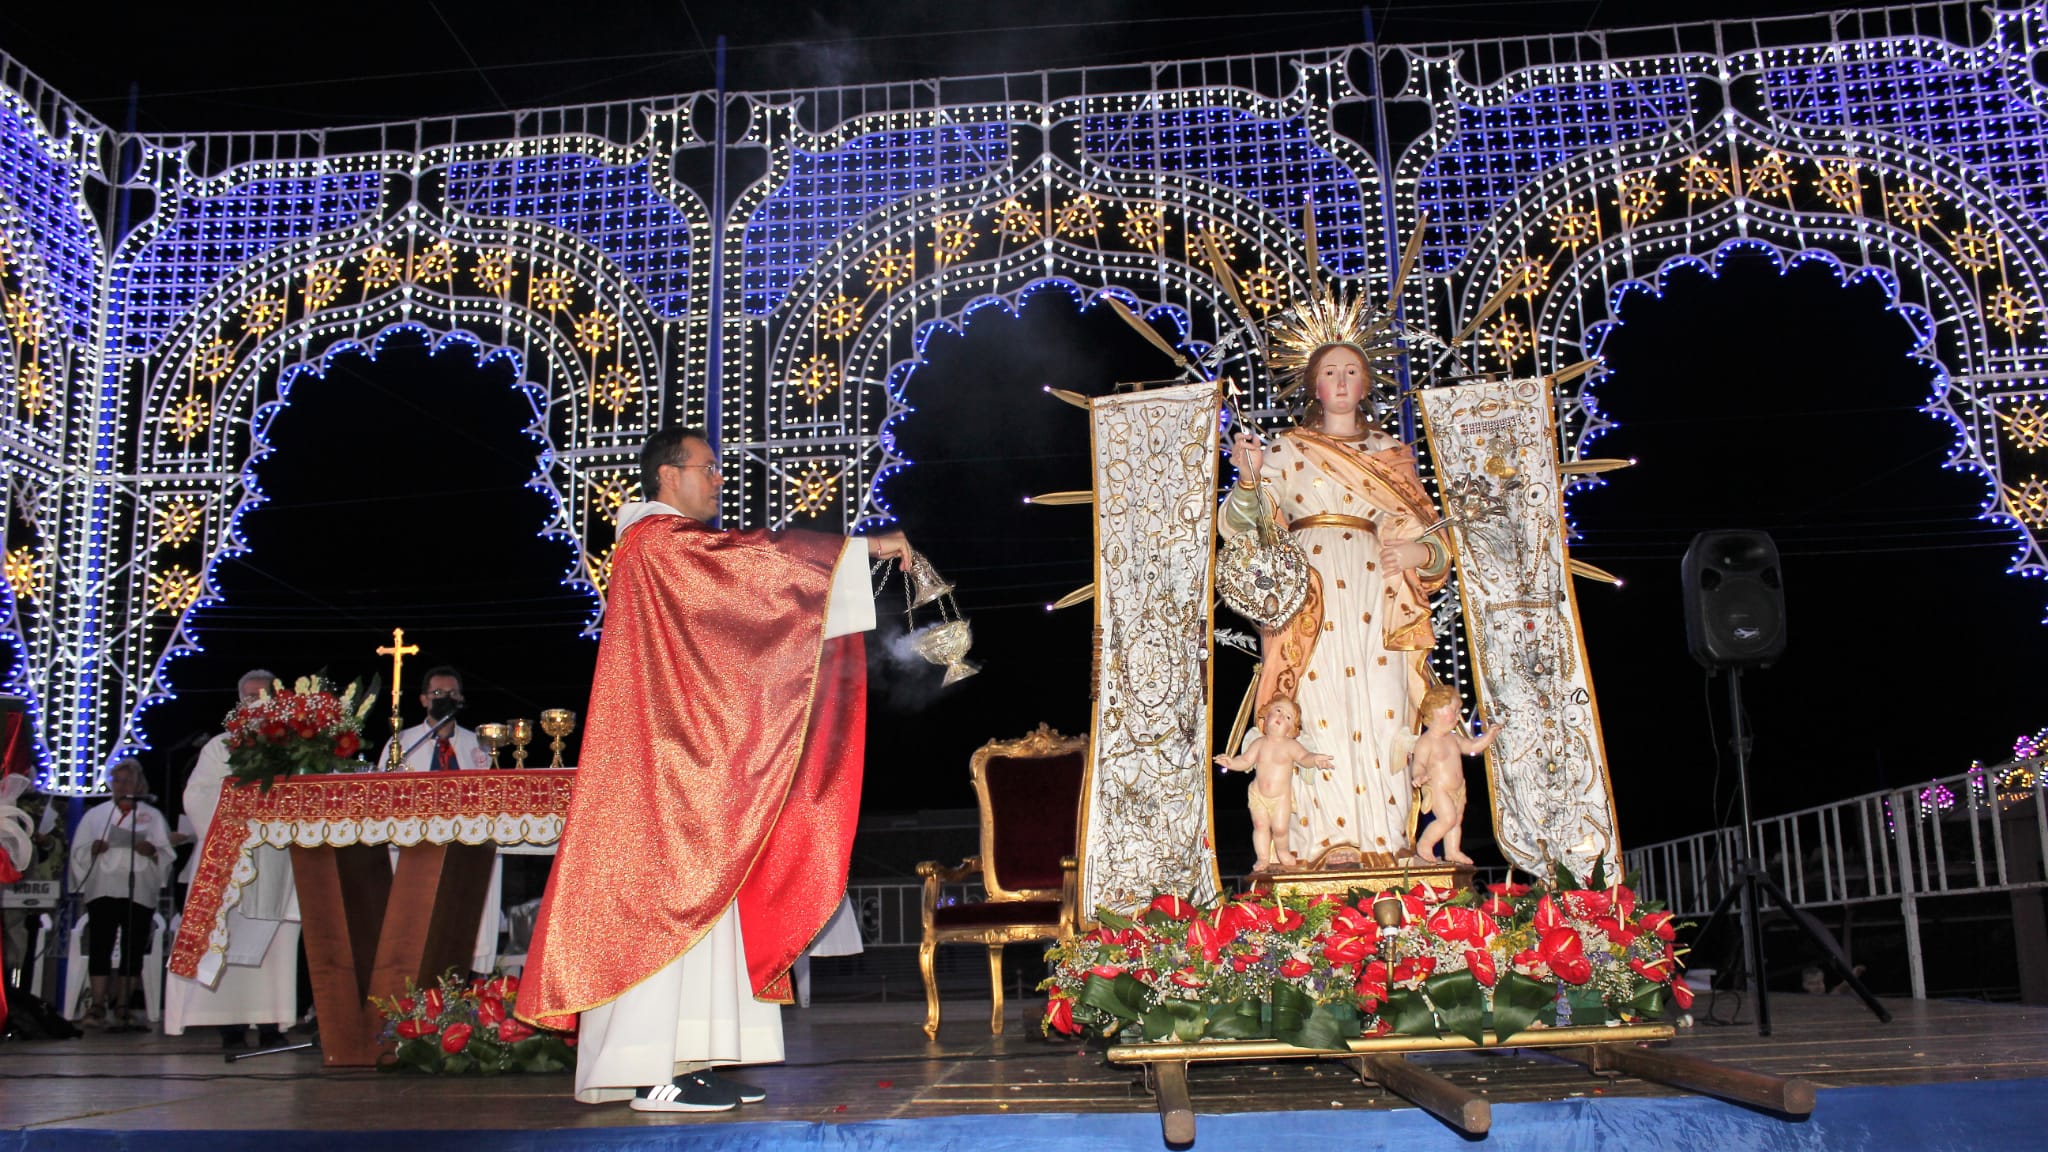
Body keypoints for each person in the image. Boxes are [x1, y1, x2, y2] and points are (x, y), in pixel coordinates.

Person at [518, 426, 910, 1113]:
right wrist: (862, 549)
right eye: (707, 467)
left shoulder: (664, 548)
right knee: (662, 910)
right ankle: (649, 1072)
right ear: (668, 475)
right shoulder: (656, 543)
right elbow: (752, 565)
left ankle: (690, 1061)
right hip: (660, 777)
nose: (719, 480)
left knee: (706, 905)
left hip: (690, 768)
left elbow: (732, 639)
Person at [1222, 342, 1451, 868]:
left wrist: (1418, 553)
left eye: (1352, 371)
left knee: (1384, 708)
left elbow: (1434, 540)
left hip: (1379, 591)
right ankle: (1319, 846)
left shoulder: (1390, 453)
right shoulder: (1286, 450)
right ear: (1314, 386)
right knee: (1317, 710)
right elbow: (1243, 528)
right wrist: (1250, 477)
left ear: (1366, 383)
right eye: (1330, 372)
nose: (1342, 381)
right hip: (1308, 597)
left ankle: (1387, 842)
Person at [164, 669, 299, 1049]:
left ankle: (272, 1023)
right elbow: (196, 796)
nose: (256, 703)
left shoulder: (295, 746)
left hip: (276, 857)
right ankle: (230, 1025)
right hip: (229, 856)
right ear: (239, 702)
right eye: (249, 697)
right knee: (227, 938)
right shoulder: (220, 747)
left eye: (264, 696)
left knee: (276, 942)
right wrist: (237, 813)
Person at [68, 758, 172, 1030]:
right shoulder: (96, 815)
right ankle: (97, 1004)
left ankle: (124, 1004)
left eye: (128, 780)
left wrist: (152, 851)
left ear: (138, 784)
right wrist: (92, 849)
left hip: (138, 887)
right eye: (118, 780)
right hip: (103, 886)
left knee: (133, 947)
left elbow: (165, 851)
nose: (122, 785)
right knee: (100, 945)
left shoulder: (151, 815)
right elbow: (78, 849)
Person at [1213, 698, 1331, 872]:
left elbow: (1304, 758)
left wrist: (1315, 760)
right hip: (1258, 794)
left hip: (1281, 798)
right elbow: (1245, 761)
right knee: (1260, 826)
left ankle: (1282, 852)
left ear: (1291, 728)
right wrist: (1231, 763)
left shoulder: (1291, 745)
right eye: (1278, 711)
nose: (1281, 716)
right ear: (1266, 716)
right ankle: (1263, 858)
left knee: (1280, 829)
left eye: (1288, 717)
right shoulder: (1258, 743)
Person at [1406, 684, 1500, 866]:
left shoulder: (1453, 738)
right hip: (1438, 789)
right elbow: (1419, 764)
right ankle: (1425, 844)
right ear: (1435, 711)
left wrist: (1489, 736)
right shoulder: (1426, 742)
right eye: (1454, 711)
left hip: (1458, 788)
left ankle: (1452, 850)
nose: (1458, 716)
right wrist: (1419, 776)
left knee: (1456, 820)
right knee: (1447, 818)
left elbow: (1472, 747)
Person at [376, 667, 489, 772]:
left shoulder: (476, 743)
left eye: (453, 693)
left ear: (460, 699)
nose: (446, 698)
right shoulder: (402, 742)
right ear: (424, 700)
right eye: (438, 692)